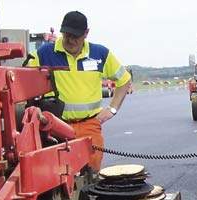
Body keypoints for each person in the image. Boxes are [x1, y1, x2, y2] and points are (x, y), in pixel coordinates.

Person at [27, 11, 132, 169]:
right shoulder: (43, 54)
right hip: (55, 126)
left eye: (75, 36)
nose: (70, 40)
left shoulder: (100, 54)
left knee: (92, 173)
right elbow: (24, 84)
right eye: (67, 34)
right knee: (56, 173)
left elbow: (124, 80)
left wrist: (112, 108)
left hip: (89, 125)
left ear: (86, 33)